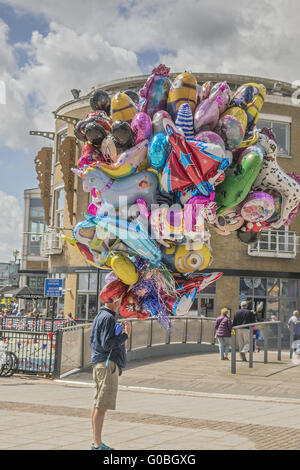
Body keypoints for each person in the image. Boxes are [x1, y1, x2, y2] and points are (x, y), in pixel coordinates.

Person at [90, 296, 130, 451]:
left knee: (97, 404)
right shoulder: (108, 318)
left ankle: (96, 442)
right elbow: (107, 344)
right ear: (115, 302)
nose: (120, 303)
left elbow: (95, 341)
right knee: (101, 406)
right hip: (107, 365)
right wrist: (125, 335)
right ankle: (97, 444)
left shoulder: (100, 316)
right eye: (119, 300)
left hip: (100, 363)